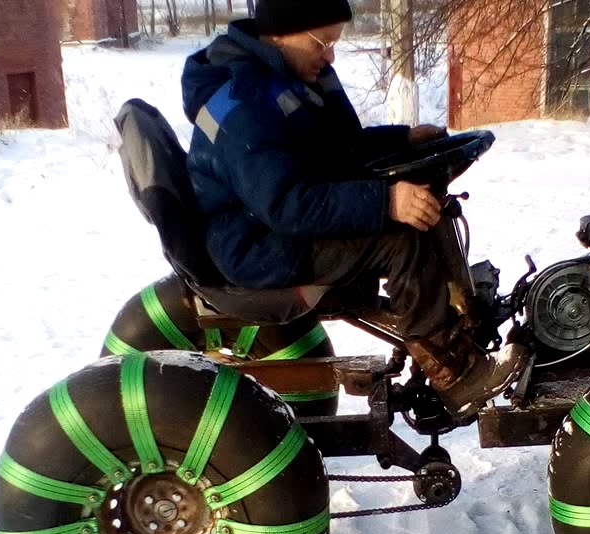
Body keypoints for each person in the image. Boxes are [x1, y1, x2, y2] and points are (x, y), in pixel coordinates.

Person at [180, 0, 525, 417]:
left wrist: (404, 139)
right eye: (322, 42)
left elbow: (339, 150)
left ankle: (456, 327)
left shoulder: (287, 76)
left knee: (419, 206)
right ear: (282, 33)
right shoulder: (245, 101)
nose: (330, 55)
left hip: (275, 227)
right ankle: (457, 375)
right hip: (256, 245)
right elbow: (287, 203)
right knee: (401, 239)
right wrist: (386, 201)